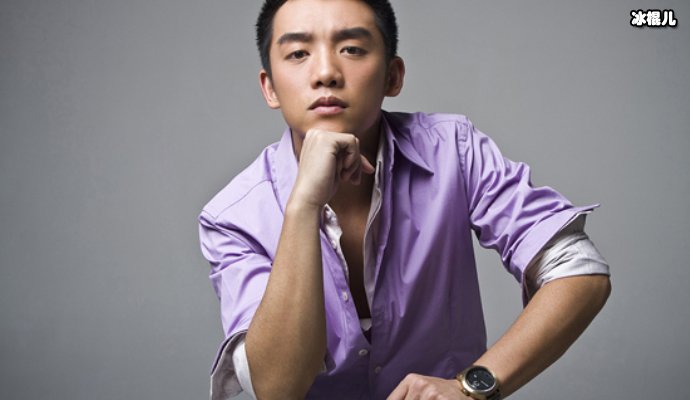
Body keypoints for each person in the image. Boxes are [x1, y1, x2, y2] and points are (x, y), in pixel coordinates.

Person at [198, 0, 611, 399]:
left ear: (393, 77)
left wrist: (471, 387)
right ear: (270, 87)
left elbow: (579, 271)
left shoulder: (454, 151)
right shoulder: (232, 217)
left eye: (351, 49)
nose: (325, 73)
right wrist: (303, 206)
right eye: (298, 53)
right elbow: (277, 389)